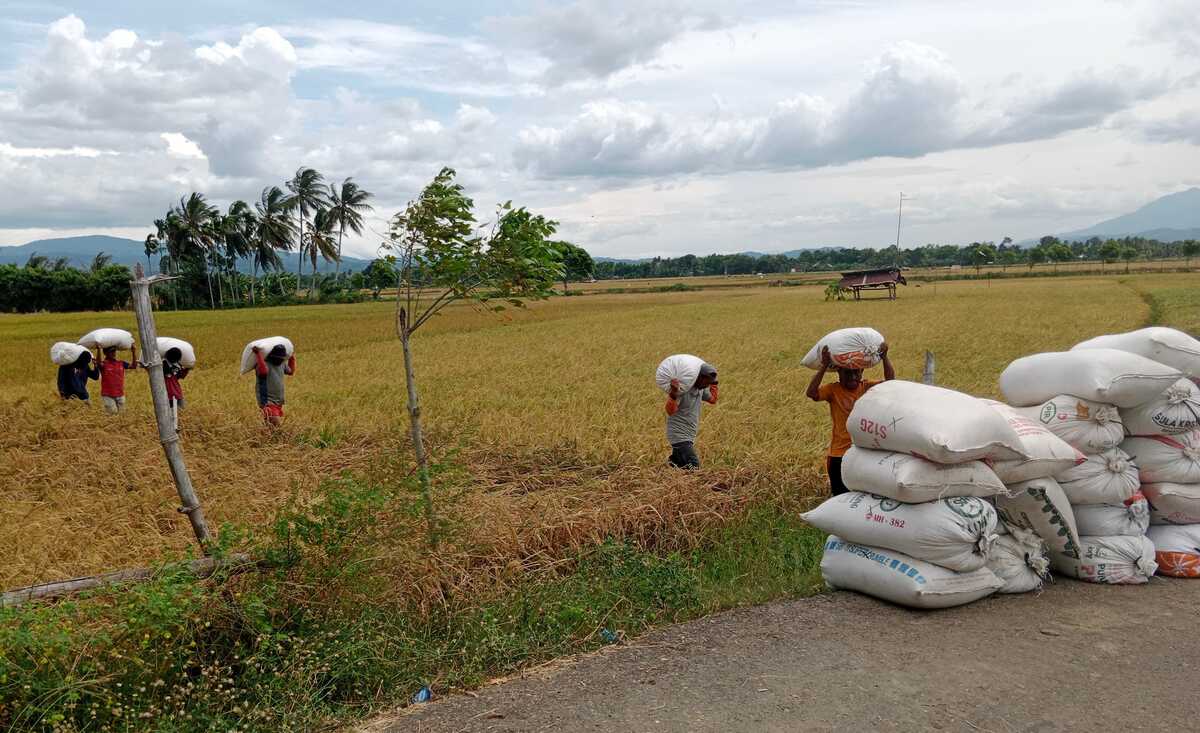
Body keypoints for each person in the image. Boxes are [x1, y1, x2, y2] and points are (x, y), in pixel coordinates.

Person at [807, 342, 895, 495]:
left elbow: (890, 383)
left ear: (862, 372)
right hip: (839, 455)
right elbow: (811, 393)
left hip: (862, 453)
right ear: (839, 372)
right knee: (840, 496)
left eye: (856, 373)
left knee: (862, 496)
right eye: (848, 373)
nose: (853, 377)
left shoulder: (866, 387)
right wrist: (824, 365)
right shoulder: (833, 390)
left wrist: (884, 357)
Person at [665, 363, 719, 469]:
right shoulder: (682, 389)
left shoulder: (701, 388)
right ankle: (690, 483)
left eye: (709, 383)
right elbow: (670, 410)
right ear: (699, 377)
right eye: (706, 382)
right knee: (693, 464)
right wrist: (673, 393)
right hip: (678, 434)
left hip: (690, 433)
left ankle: (668, 471)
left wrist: (714, 385)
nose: (707, 385)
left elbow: (712, 400)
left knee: (679, 464)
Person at [254, 344, 295, 427]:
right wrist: (258, 354)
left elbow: (291, 371)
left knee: (270, 427)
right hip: (267, 401)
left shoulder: (282, 363)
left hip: (278, 401)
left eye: (281, 358)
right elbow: (263, 372)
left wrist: (292, 357)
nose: (279, 360)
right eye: (278, 358)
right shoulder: (263, 363)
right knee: (277, 427)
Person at [97, 344, 137, 414]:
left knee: (122, 416)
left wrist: (133, 351)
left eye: (114, 351)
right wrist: (98, 350)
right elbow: (98, 363)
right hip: (108, 395)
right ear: (105, 353)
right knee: (113, 414)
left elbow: (134, 366)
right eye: (111, 352)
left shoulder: (121, 363)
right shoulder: (104, 364)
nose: (114, 353)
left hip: (120, 394)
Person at [163, 347, 189, 432]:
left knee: (182, 414)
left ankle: (181, 430)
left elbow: (181, 376)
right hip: (167, 395)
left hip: (177, 393)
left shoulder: (177, 364)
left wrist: (187, 368)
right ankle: (173, 431)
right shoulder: (163, 365)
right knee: (171, 417)